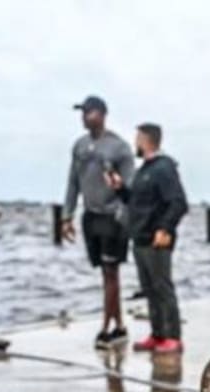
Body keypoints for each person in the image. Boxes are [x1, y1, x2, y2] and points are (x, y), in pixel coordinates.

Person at [104, 123, 188, 354]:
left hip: (157, 239)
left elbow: (178, 202)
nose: (135, 143)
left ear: (146, 139)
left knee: (162, 288)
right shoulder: (145, 170)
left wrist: (165, 229)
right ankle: (158, 334)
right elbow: (137, 203)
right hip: (140, 238)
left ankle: (173, 336)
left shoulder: (164, 168)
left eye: (137, 138)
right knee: (149, 289)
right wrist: (120, 189)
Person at [62, 95, 135, 348]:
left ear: (102, 114)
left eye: (89, 112)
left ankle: (106, 327)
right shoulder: (79, 146)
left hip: (113, 216)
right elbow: (73, 182)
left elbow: (131, 188)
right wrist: (66, 216)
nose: (84, 117)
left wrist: (120, 188)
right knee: (105, 274)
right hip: (90, 216)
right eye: (82, 112)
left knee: (111, 272)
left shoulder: (119, 147)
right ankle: (120, 326)